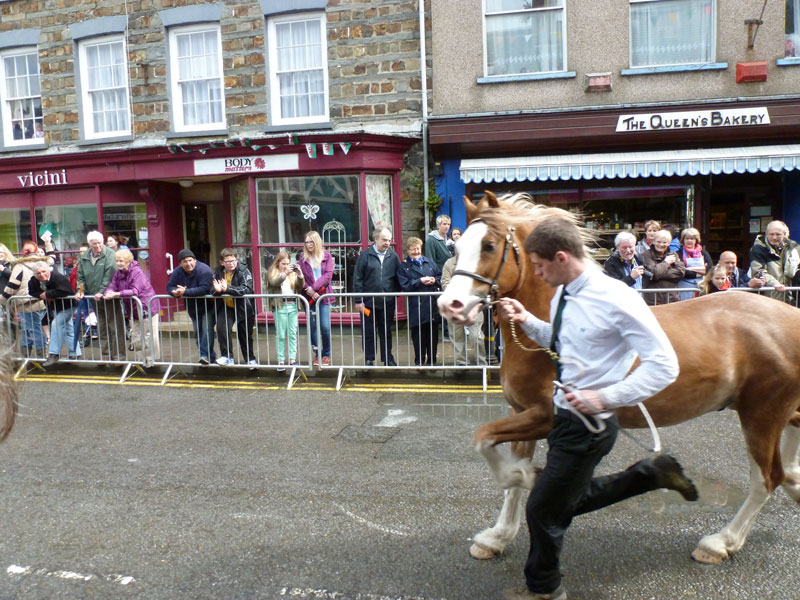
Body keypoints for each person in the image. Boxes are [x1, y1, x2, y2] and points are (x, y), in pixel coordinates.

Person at [497, 217, 697, 600]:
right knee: (561, 501)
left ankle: (544, 590)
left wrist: (603, 398)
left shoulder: (616, 298)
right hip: (564, 416)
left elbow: (665, 365)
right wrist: (527, 321)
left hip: (590, 425)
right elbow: (561, 343)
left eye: (538, 265)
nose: (535, 273)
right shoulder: (563, 292)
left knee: (542, 509)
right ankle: (650, 474)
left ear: (560, 257)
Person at [102, 249, 160, 367]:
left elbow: (135, 291)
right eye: (117, 261)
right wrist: (108, 292)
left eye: (121, 261)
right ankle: (140, 360)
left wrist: (118, 294)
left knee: (148, 334)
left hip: (146, 307)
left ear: (128, 261)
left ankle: (150, 359)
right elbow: (112, 285)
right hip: (132, 309)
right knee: (137, 334)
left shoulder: (137, 272)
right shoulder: (118, 273)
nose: (118, 263)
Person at [353, 227, 402, 367]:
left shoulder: (393, 257)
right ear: (376, 239)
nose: (387, 243)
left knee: (386, 331)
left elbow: (398, 277)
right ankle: (369, 358)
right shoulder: (365, 255)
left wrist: (394, 294)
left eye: (389, 240)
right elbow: (358, 278)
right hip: (368, 303)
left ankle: (388, 358)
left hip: (387, 303)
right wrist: (358, 300)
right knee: (368, 331)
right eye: (384, 240)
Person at [1, 239, 54, 357]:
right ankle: (27, 357)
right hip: (40, 301)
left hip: (26, 303)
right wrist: (48, 242)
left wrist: (2, 299)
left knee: (33, 330)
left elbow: (12, 286)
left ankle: (40, 357)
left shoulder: (19, 266)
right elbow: (52, 257)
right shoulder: (42, 262)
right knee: (28, 330)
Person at [397, 237, 442, 367]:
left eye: (418, 248)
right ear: (408, 250)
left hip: (432, 306)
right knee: (418, 337)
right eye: (413, 249)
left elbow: (440, 276)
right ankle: (419, 361)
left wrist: (434, 280)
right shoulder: (404, 266)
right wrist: (420, 281)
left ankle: (432, 360)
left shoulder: (430, 262)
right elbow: (404, 285)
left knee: (432, 336)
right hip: (416, 307)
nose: (416, 251)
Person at [167, 249, 216, 365]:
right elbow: (170, 286)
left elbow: (204, 289)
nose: (188, 264)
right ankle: (210, 356)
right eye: (185, 261)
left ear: (195, 260)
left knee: (206, 331)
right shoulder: (178, 271)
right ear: (180, 263)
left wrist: (185, 292)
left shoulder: (204, 270)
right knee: (198, 332)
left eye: (190, 260)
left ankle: (204, 355)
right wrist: (175, 292)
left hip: (208, 305)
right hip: (193, 307)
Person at [76, 231, 120, 361]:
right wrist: (81, 290)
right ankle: (105, 355)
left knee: (113, 327)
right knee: (101, 327)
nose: (97, 246)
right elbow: (81, 276)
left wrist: (102, 291)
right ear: (89, 244)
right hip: (94, 298)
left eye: (99, 243)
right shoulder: (84, 256)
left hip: (109, 296)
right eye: (94, 244)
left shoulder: (110, 254)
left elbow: (109, 274)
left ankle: (117, 356)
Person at [211, 248, 256, 369]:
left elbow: (246, 288)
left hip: (244, 306)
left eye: (234, 260)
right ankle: (227, 357)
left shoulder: (244, 271)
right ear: (222, 262)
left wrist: (227, 289)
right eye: (228, 261)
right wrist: (218, 291)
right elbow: (212, 290)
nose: (232, 263)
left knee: (245, 334)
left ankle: (250, 359)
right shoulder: (218, 273)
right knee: (222, 329)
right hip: (227, 307)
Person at [29, 261, 80, 367]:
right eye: (38, 273)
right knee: (69, 328)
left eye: (44, 271)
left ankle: (54, 354)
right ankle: (74, 353)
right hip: (54, 307)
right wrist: (41, 295)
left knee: (56, 324)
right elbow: (32, 291)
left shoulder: (57, 277)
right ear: (35, 274)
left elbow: (67, 291)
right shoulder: (34, 280)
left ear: (48, 270)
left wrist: (48, 294)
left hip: (68, 306)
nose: (42, 275)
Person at [441, 251, 486, 368]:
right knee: (457, 337)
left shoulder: (476, 263)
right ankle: (461, 364)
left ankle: (481, 364)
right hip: (454, 305)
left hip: (473, 305)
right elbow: (444, 282)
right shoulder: (449, 263)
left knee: (476, 336)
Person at [297, 231, 334, 366]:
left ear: (317, 242)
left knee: (324, 326)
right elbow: (300, 277)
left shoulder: (327, 256)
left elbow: (328, 275)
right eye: (306, 242)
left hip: (323, 295)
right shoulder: (302, 258)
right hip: (308, 297)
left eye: (311, 241)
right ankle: (317, 354)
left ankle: (327, 354)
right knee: (312, 327)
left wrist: (315, 288)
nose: (308, 244)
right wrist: (310, 290)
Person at [266, 252, 304, 372]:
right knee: (281, 334)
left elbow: (300, 286)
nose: (286, 266)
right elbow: (273, 282)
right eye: (283, 264)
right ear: (278, 263)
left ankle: (292, 359)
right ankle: (281, 360)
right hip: (280, 305)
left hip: (293, 305)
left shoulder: (292, 273)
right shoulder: (273, 272)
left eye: (288, 263)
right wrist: (285, 273)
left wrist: (300, 275)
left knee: (293, 334)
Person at [748, 220, 800, 303]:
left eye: (778, 234)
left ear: (785, 234)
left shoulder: (793, 247)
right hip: (769, 298)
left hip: (791, 298)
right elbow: (758, 272)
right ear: (766, 233)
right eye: (771, 234)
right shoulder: (757, 249)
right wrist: (775, 284)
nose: (774, 237)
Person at [641, 229, 685, 306]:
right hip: (653, 299)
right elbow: (652, 274)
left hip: (672, 298)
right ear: (653, 241)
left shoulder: (673, 254)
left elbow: (681, 272)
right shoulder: (646, 255)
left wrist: (658, 273)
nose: (661, 245)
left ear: (669, 243)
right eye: (658, 242)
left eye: (664, 242)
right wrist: (666, 263)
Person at [676, 228, 712, 301]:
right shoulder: (678, 253)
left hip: (701, 286)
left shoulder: (703, 253)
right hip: (685, 287)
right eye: (687, 238)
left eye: (692, 239)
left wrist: (690, 269)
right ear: (683, 240)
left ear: (696, 240)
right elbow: (681, 271)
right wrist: (699, 272)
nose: (689, 241)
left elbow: (709, 269)